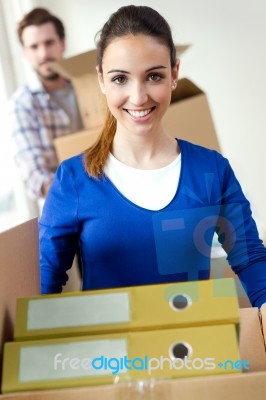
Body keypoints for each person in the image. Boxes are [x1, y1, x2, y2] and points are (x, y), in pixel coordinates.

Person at [39, 5, 266, 307]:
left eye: (154, 77)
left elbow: (250, 259)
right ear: (101, 80)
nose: (138, 97)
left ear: (174, 73)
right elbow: (44, 284)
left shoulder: (211, 171)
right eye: (121, 79)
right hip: (105, 353)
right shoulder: (74, 179)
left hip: (193, 350)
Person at [9, 8, 83, 200]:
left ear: (63, 43)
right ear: (25, 53)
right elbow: (35, 176)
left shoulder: (87, 87)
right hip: (65, 206)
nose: (43, 54)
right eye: (34, 47)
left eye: (49, 43)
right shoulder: (23, 103)